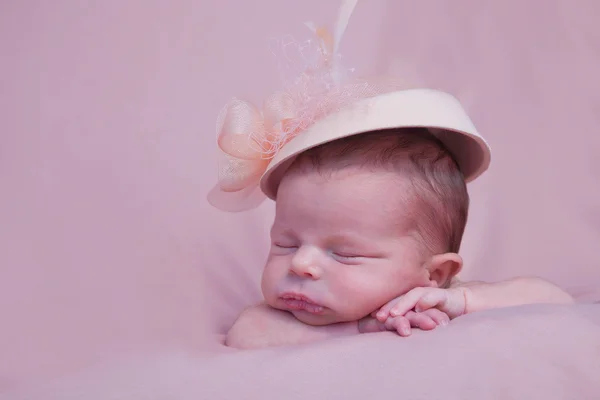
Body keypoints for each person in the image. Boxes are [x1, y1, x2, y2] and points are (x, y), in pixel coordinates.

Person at [206, 0, 573, 349]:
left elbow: (554, 300)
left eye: (344, 254)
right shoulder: (282, 318)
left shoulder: (436, 299)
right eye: (284, 244)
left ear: (435, 274)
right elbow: (246, 334)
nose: (301, 264)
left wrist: (463, 300)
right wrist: (360, 328)